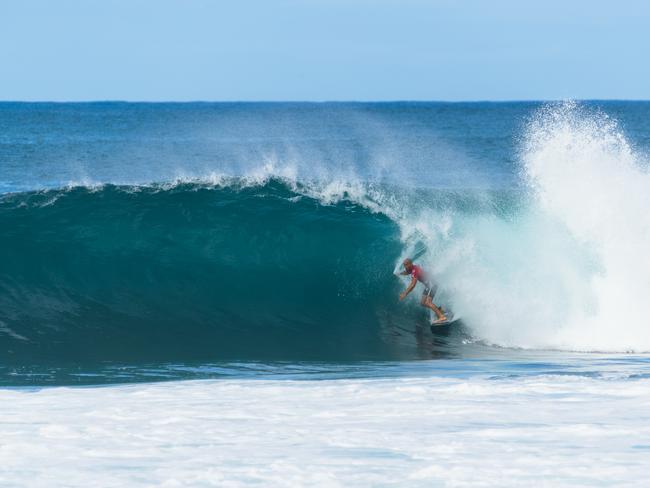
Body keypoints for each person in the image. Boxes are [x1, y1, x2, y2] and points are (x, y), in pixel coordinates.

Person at [399, 258, 447, 324]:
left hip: (432, 284)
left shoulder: (415, 270)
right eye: (404, 265)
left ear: (410, 264)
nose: (405, 266)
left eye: (406, 265)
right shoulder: (411, 268)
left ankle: (442, 317)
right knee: (422, 302)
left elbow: (413, 285)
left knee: (428, 302)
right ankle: (439, 310)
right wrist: (399, 273)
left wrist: (404, 293)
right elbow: (407, 272)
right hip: (428, 285)